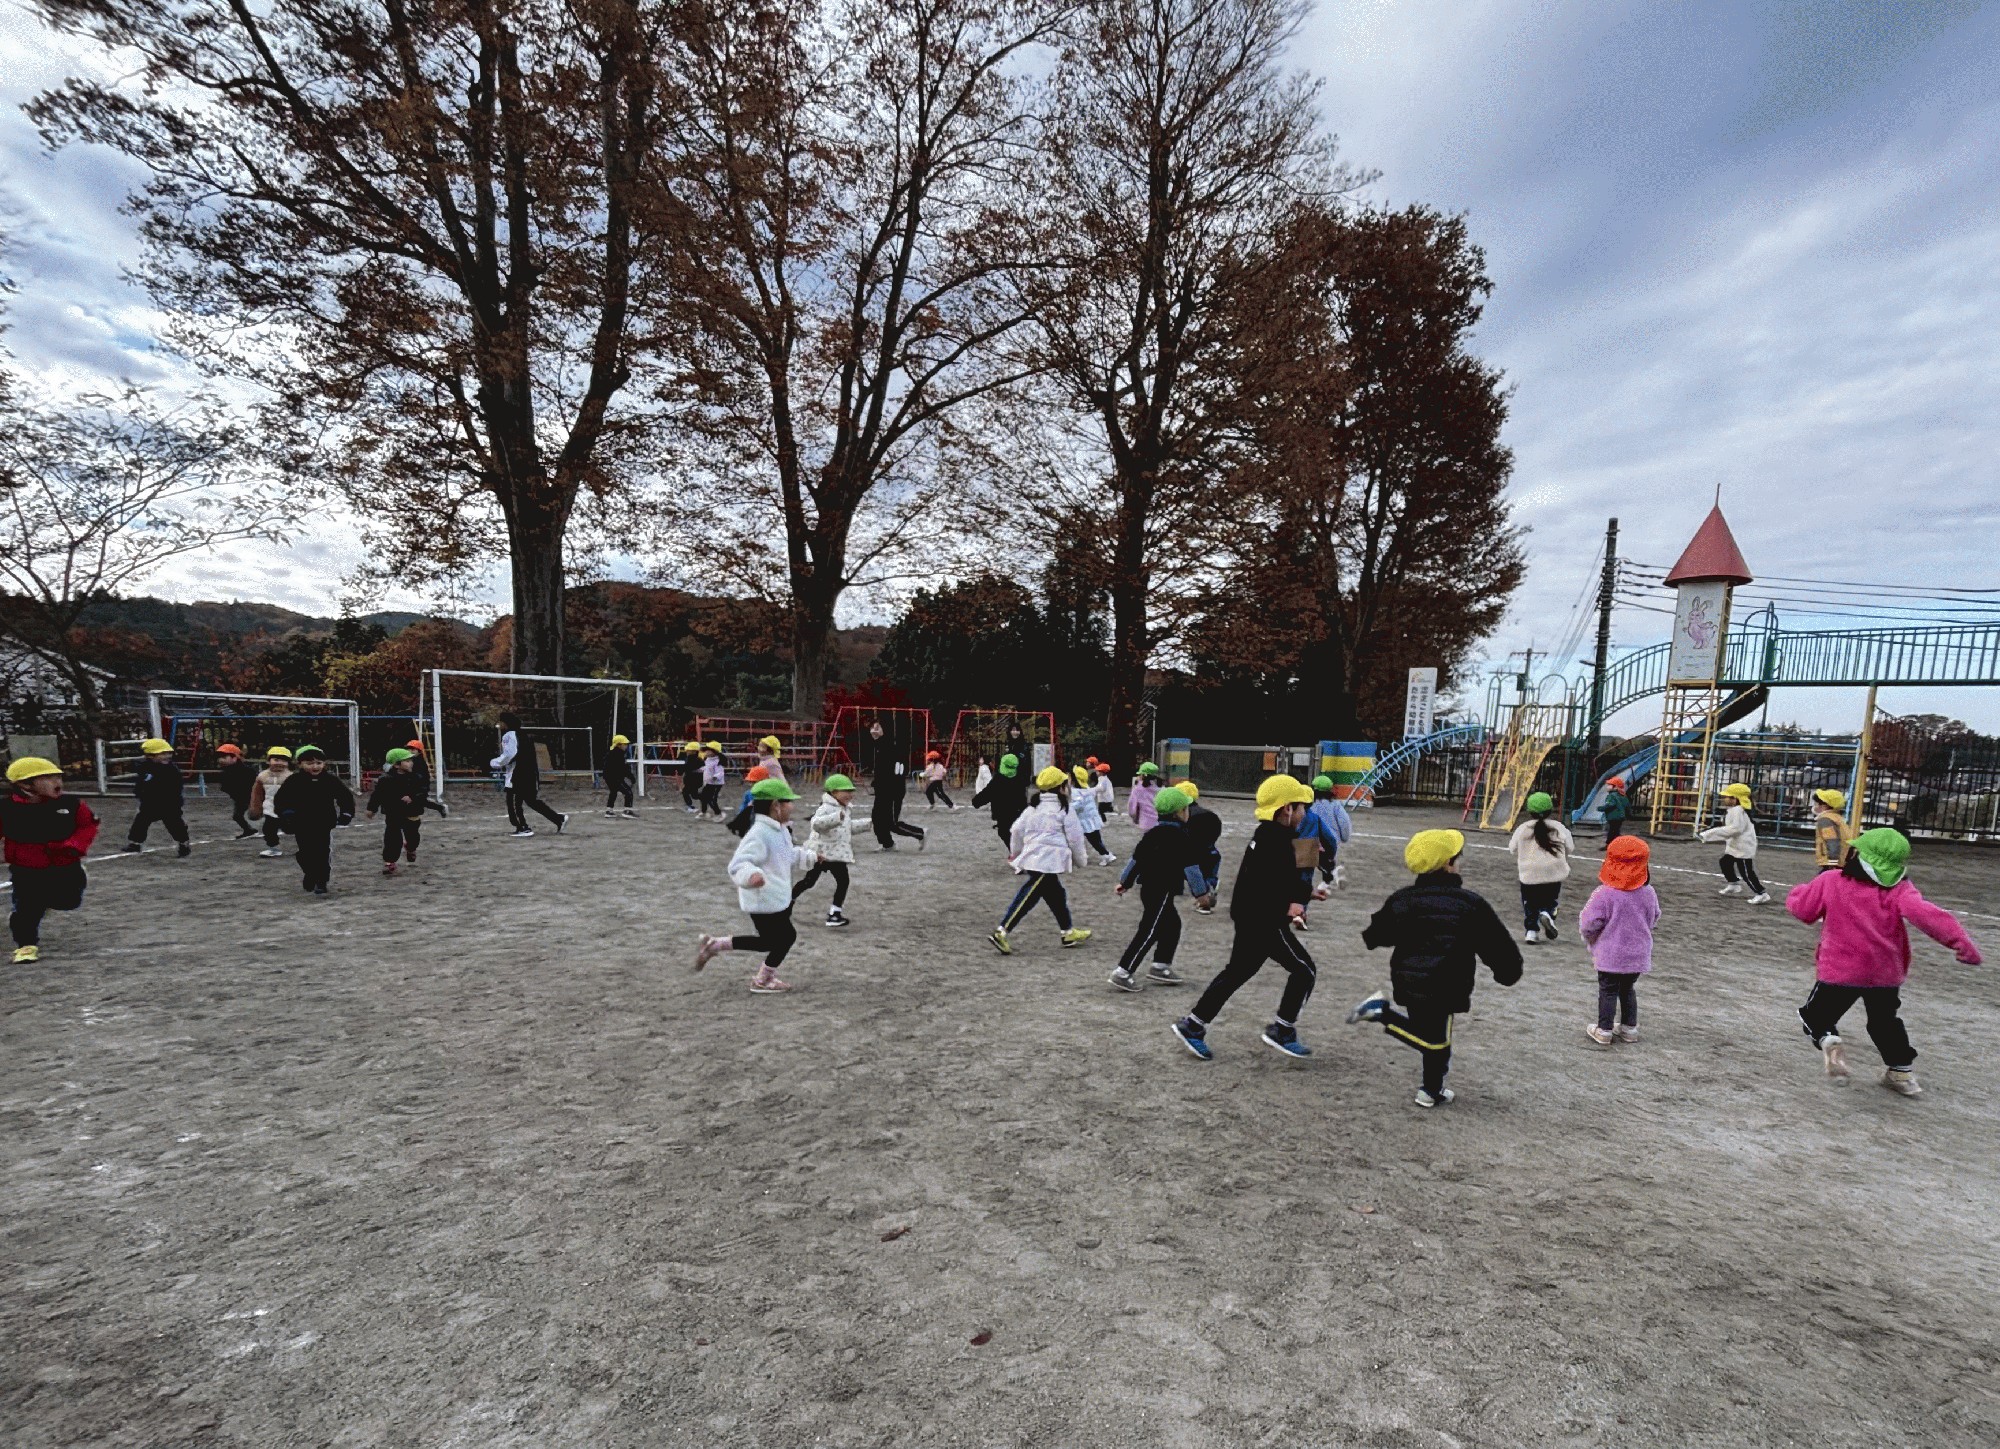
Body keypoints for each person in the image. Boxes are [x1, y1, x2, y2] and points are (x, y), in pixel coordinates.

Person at [1788, 827, 1980, 1096]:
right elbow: (1930, 916)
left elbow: (1804, 911)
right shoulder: (1901, 889)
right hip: (1885, 973)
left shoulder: (1831, 880)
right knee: (1884, 1022)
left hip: (1841, 971)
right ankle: (1901, 1072)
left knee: (1815, 1016)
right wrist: (1962, 944)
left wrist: (1798, 892)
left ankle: (1830, 1042)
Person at [1347, 829, 1524, 1107]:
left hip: (1409, 981)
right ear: (1448, 864)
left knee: (1428, 1034)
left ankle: (1431, 1090)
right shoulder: (1470, 904)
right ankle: (1381, 1014)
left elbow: (1375, 936)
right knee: (1436, 1041)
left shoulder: (1402, 899)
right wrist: (1508, 971)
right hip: (1448, 983)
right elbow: (1495, 943)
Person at [1170, 775, 1327, 1062]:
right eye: (1301, 807)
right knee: (1305, 970)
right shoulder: (1277, 840)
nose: (1304, 813)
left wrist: (1305, 892)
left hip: (1249, 916)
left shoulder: (1267, 834)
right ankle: (1283, 1029)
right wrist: (1295, 902)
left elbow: (1279, 874)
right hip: (1264, 920)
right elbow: (1279, 880)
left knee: (1237, 972)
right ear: (1287, 809)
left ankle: (1193, 1025)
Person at [694, 777, 818, 993]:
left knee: (772, 941)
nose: (792, 806)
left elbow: (787, 855)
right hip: (763, 898)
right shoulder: (760, 833)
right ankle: (762, 979)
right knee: (783, 938)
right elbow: (739, 864)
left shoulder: (779, 830)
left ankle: (716, 946)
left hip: (775, 897)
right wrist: (751, 875)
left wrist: (811, 857)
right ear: (776, 805)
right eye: (789, 801)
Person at [1109, 785, 1212, 992]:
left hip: (1148, 889)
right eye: (1186, 809)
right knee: (1150, 930)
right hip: (1163, 890)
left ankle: (1160, 965)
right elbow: (1191, 869)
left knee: (1172, 925)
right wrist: (1201, 894)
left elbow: (1135, 861)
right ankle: (1123, 971)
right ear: (1179, 812)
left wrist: (1125, 882)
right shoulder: (1182, 837)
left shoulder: (1151, 834)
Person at [2, 756, 98, 963]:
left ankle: (45, 901)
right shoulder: (7, 808)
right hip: (26, 868)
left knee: (69, 901)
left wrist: (74, 845)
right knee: (27, 907)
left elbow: (87, 826)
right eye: (48, 778)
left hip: (65, 864)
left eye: (58, 777)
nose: (57, 782)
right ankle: (26, 945)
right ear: (25, 785)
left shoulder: (71, 804)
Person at [990, 766, 1091, 955]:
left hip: (1035, 858)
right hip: (1047, 861)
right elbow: (1075, 838)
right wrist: (1081, 861)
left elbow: (1016, 830)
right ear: (1061, 787)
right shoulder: (1064, 809)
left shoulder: (1032, 808)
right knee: (1028, 895)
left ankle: (1067, 931)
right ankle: (1002, 931)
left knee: (1057, 895)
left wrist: (1016, 853)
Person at [1578, 835, 1660, 1046]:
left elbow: (1589, 923)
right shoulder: (1649, 892)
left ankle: (1604, 1029)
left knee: (1608, 990)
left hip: (1611, 954)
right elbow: (1654, 916)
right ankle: (1629, 1028)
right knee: (1627, 989)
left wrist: (1590, 937)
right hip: (1638, 953)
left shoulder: (1604, 894)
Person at [272, 744, 355, 895]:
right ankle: (310, 873)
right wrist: (286, 814)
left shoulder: (330, 780)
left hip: (324, 822)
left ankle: (321, 881)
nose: (315, 766)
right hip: (301, 823)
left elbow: (345, 797)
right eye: (309, 763)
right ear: (300, 764)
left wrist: (346, 813)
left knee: (322, 852)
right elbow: (281, 800)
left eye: (319, 763)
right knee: (305, 853)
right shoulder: (294, 780)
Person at [1507, 791, 1574, 944]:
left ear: (1529, 811)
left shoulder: (1523, 828)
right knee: (1550, 900)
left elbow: (1512, 848)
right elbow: (1570, 847)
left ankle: (1531, 931)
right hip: (1553, 872)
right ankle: (1547, 913)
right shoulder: (1558, 827)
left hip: (1529, 873)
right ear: (1550, 809)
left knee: (1530, 903)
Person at [795, 773, 857, 928]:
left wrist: (868, 824)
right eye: (846, 791)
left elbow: (847, 827)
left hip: (835, 854)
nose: (850, 794)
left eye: (851, 791)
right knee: (809, 882)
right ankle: (786, 902)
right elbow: (816, 824)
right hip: (821, 853)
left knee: (842, 882)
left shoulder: (844, 809)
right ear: (833, 792)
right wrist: (836, 818)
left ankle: (835, 913)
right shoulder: (825, 808)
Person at [492, 712, 567, 837]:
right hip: (530, 773)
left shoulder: (509, 735)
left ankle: (522, 827)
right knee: (531, 801)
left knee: (513, 802)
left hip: (518, 775)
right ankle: (558, 819)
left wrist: (495, 763)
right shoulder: (524, 735)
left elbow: (510, 755)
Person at [1292, 778, 1348, 931]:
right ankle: (1300, 912)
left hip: (1290, 850)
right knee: (1304, 882)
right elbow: (1329, 838)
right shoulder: (1314, 818)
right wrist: (1330, 853)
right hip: (1309, 849)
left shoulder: (1289, 816)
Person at [865, 719, 927, 850]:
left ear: (885, 730)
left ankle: (920, 833)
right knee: (877, 819)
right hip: (882, 790)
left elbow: (896, 772)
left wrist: (889, 788)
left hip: (892, 791)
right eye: (872, 728)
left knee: (891, 823)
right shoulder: (878, 746)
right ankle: (888, 844)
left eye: (877, 728)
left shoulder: (890, 747)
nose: (874, 731)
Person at [1700, 782, 1767, 903]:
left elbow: (1735, 829)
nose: (1724, 799)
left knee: (1746, 872)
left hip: (1743, 847)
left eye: (1727, 797)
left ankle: (1761, 893)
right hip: (1735, 845)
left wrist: (1709, 834)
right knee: (1725, 862)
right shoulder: (1734, 810)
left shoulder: (1738, 811)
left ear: (1735, 799)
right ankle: (1734, 883)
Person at [123, 737, 190, 858]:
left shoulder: (171, 770)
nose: (167, 756)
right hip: (150, 803)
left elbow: (177, 787)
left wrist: (176, 802)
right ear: (150, 756)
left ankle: (183, 843)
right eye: (162, 754)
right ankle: (135, 843)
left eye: (168, 753)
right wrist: (140, 793)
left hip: (169, 803)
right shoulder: (145, 768)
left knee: (175, 824)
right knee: (141, 822)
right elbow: (141, 783)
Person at [365, 747, 426, 876]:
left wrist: (413, 797)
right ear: (397, 765)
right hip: (393, 812)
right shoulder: (386, 779)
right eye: (407, 761)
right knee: (392, 837)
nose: (411, 763)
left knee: (413, 836)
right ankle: (390, 861)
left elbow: (423, 791)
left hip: (412, 812)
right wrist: (371, 809)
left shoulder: (416, 777)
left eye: (411, 760)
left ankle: (411, 848)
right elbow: (377, 795)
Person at [1179, 781, 1222, 909]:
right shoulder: (1210, 815)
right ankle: (1211, 883)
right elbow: (1217, 831)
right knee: (1209, 873)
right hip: (1212, 852)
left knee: (1191, 873)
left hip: (1193, 855)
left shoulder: (1184, 817)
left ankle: (1202, 897)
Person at [971, 753, 1027, 847]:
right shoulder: (1020, 779)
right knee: (1013, 834)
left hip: (1002, 813)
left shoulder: (998, 780)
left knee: (1004, 833)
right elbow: (1023, 798)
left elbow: (987, 793)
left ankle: (1016, 852)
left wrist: (976, 802)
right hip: (1017, 812)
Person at [1306, 775, 1352, 888]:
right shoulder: (1335, 805)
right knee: (1325, 860)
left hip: (1312, 839)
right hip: (1331, 840)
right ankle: (1329, 877)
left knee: (1310, 863)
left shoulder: (1308, 805)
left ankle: (1328, 875)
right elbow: (1344, 822)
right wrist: (1344, 837)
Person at [249, 747, 293, 857]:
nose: (279, 763)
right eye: (276, 760)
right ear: (268, 761)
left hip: (287, 810)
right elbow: (257, 793)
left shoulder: (291, 777)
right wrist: (255, 808)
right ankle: (274, 848)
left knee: (292, 828)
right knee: (268, 829)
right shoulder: (262, 776)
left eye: (283, 760)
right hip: (270, 808)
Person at [1070, 764, 1117, 864]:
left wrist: (1068, 808)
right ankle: (1105, 854)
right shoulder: (1086, 788)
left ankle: (1106, 855)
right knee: (1096, 839)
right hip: (1092, 819)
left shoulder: (1076, 791)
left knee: (1092, 841)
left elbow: (1078, 804)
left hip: (1085, 821)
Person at [217, 744, 258, 839]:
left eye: (224, 757)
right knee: (237, 816)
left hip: (251, 797)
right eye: (220, 757)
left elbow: (256, 784)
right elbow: (225, 787)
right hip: (240, 798)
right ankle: (249, 830)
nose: (220, 760)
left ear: (234, 758)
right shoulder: (225, 772)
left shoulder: (246, 771)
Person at [1811, 788, 1855, 870]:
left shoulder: (1826, 820)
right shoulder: (1837, 818)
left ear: (1824, 806)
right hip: (1841, 860)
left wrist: (1832, 864)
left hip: (1831, 862)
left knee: (1824, 878)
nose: (1814, 806)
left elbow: (1832, 842)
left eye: (1816, 803)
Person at [405, 740, 449, 818]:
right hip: (417, 786)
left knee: (418, 801)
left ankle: (440, 808)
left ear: (419, 751)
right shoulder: (412, 760)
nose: (410, 751)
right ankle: (440, 808)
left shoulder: (418, 761)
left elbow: (419, 777)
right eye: (409, 749)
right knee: (421, 802)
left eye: (413, 749)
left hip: (420, 786)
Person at [726, 765, 770, 838]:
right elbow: (744, 806)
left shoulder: (769, 793)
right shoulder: (749, 793)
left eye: (754, 782)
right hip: (751, 819)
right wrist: (741, 815)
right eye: (751, 782)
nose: (752, 784)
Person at [603, 733, 636, 817]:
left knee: (613, 792)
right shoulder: (618, 754)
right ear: (619, 745)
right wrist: (631, 777)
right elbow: (623, 769)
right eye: (624, 744)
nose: (626, 746)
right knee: (628, 792)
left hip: (609, 777)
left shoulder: (611, 753)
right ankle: (627, 811)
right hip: (615, 778)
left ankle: (609, 810)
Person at [1127, 762, 1162, 832]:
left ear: (1142, 775)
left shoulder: (1138, 789)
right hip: (1160, 823)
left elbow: (1132, 809)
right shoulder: (1161, 788)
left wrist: (1135, 819)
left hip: (1146, 823)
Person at [698, 741, 726, 818]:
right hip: (709, 783)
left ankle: (718, 813)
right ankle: (703, 811)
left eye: (708, 750)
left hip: (716, 784)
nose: (706, 752)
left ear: (714, 752)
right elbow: (708, 768)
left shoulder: (717, 761)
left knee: (711, 799)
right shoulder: (708, 759)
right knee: (703, 797)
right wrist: (701, 769)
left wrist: (715, 777)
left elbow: (720, 772)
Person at [1600, 777, 1629, 842]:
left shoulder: (1612, 795)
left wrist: (1601, 808)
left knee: (1611, 831)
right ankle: (1617, 842)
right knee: (1616, 831)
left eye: (1609, 785)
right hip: (1620, 817)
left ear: (1615, 787)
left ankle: (1609, 843)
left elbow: (1610, 804)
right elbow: (1627, 805)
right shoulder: (1623, 795)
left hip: (1613, 817)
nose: (1607, 787)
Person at [680, 741, 704, 813]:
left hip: (692, 781)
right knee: (694, 795)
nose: (687, 751)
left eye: (689, 750)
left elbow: (687, 769)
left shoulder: (693, 759)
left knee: (685, 792)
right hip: (695, 781)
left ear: (694, 751)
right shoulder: (697, 759)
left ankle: (690, 806)